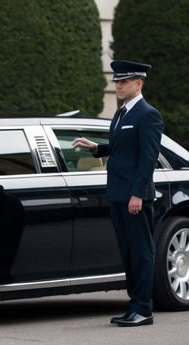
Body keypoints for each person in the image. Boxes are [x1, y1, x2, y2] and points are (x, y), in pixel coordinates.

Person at [72, 60, 163, 327]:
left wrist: (137, 194)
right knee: (127, 252)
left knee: (141, 252)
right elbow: (122, 147)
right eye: (117, 82)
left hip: (135, 198)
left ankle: (143, 309)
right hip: (118, 195)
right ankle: (133, 305)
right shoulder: (122, 113)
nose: (118, 86)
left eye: (124, 82)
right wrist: (97, 148)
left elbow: (147, 158)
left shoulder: (148, 114)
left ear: (139, 83)